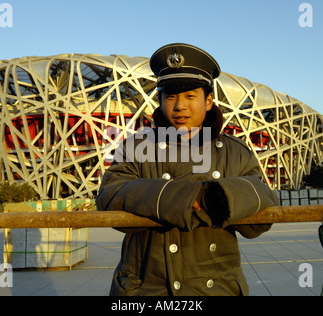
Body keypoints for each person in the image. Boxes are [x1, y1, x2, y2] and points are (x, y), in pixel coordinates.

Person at [96, 43, 280, 296]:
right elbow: (110, 197)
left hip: (217, 289)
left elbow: (262, 214)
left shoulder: (235, 151)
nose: (179, 105)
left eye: (190, 96)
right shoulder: (136, 147)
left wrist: (217, 198)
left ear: (208, 101)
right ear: (159, 101)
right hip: (146, 290)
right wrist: (188, 198)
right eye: (170, 96)